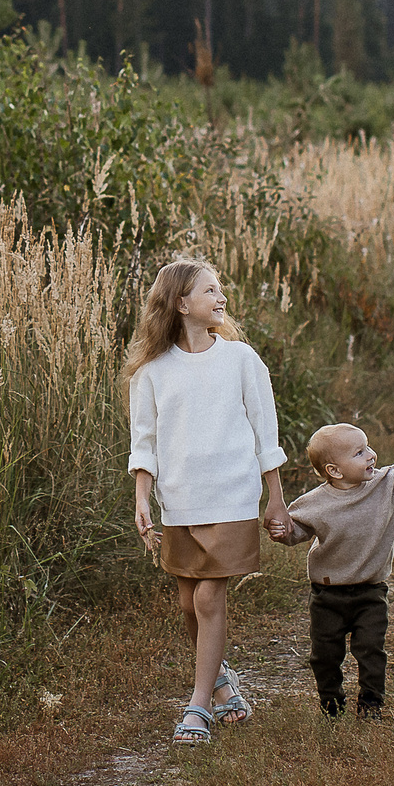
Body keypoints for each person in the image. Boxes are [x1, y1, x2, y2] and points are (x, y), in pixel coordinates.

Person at [127, 256, 289, 746]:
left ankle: (197, 705)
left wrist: (276, 500)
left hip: (233, 495)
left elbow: (266, 434)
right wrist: (142, 497)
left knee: (207, 595)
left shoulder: (242, 360)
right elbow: (145, 442)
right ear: (181, 303)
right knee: (187, 603)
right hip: (180, 502)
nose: (221, 298)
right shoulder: (152, 372)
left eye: (221, 290)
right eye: (210, 291)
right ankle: (220, 683)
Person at [270, 418, 394, 717]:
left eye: (368, 447)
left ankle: (371, 704)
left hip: (370, 592)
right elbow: (295, 532)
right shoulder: (314, 503)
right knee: (324, 655)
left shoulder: (386, 484)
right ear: (334, 470)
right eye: (359, 452)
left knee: (371, 650)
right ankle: (331, 703)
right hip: (327, 596)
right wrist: (282, 532)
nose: (371, 455)